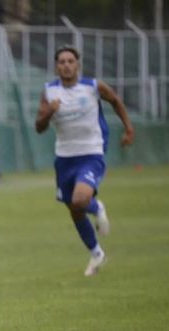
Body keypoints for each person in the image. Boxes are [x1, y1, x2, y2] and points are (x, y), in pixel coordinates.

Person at [36, 44, 135, 276]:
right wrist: (50, 112)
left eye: (70, 61)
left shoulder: (92, 86)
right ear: (56, 66)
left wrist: (129, 129)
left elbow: (115, 100)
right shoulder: (49, 91)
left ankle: (97, 206)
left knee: (80, 200)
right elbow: (39, 127)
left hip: (91, 153)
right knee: (74, 209)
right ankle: (96, 253)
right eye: (62, 62)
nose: (66, 66)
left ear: (78, 65)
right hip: (64, 158)